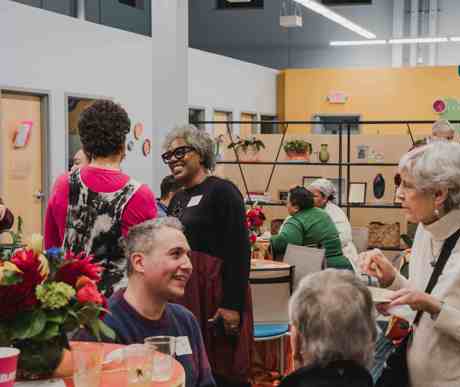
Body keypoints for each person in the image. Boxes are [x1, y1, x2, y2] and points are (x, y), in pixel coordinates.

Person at [362, 141, 460, 387]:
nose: (398, 195)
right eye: (398, 183)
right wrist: (392, 280)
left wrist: (435, 308)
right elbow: (421, 306)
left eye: (407, 185)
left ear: (439, 194)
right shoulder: (426, 230)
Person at [164, 125, 252, 387]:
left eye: (181, 151)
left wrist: (231, 304)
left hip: (216, 290)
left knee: (222, 364)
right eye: (168, 156)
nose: (173, 159)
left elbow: (239, 250)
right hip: (188, 288)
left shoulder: (223, 191)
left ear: (201, 153)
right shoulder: (178, 198)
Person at [82, 217, 216, 387]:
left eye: (187, 256)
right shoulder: (101, 325)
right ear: (139, 262)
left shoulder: (185, 320)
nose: (188, 265)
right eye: (176, 254)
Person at [44, 100, 157, 295]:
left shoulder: (63, 184)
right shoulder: (140, 194)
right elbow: (150, 259)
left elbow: (51, 247)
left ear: (85, 146)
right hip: (121, 306)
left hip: (69, 300)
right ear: (122, 146)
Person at [279, 269, 375, 387]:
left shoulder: (292, 382)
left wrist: (297, 360)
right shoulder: (365, 380)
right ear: (369, 336)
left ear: (299, 337)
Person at [270, 186, 351, 270]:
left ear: (296, 207)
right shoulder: (322, 213)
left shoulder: (296, 221)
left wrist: (269, 240)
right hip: (343, 266)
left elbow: (283, 244)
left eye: (287, 202)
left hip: (321, 269)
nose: (286, 205)